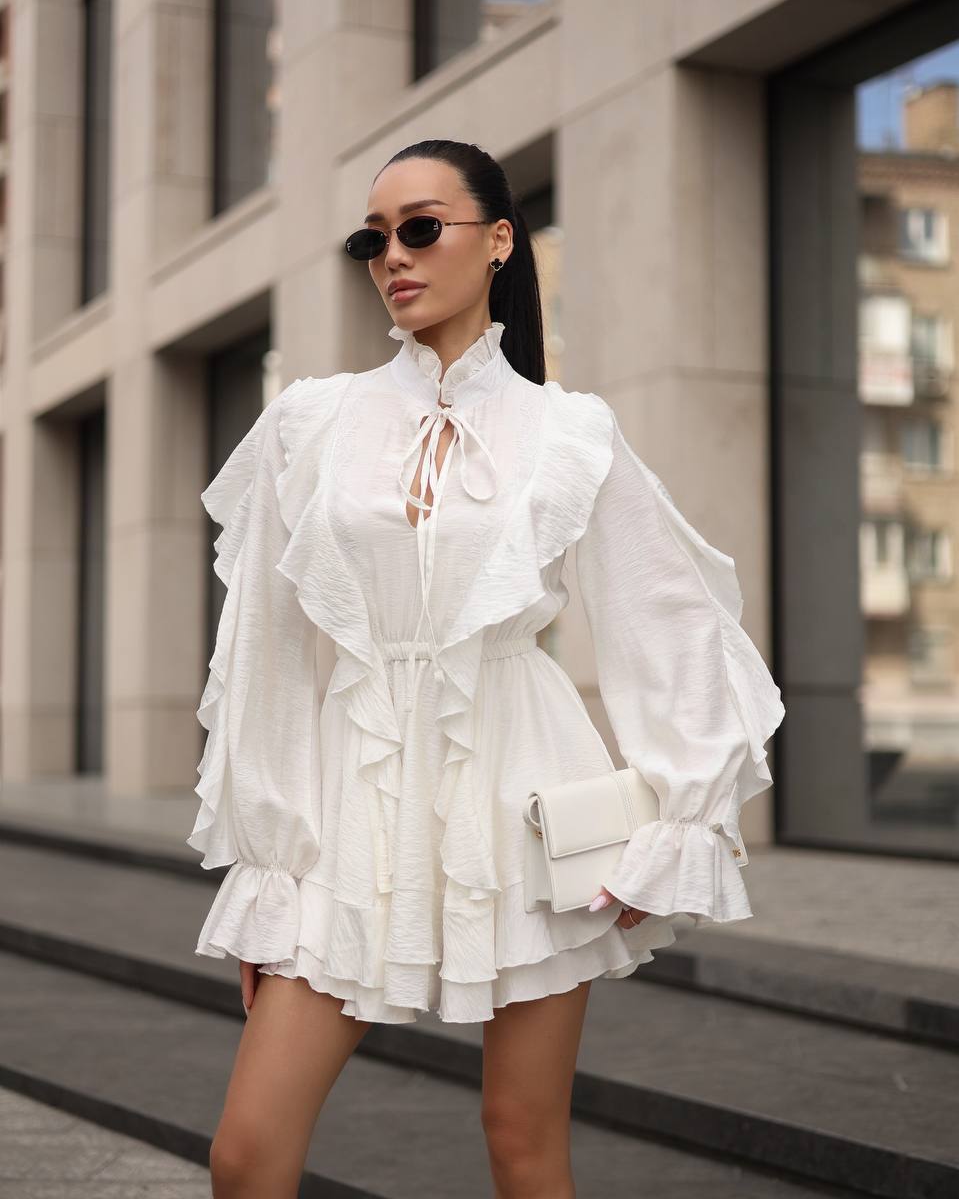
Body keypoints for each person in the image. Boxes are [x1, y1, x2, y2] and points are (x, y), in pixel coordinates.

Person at [193, 139, 785, 1198]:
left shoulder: (567, 431)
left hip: (519, 796)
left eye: (420, 226)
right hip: (348, 793)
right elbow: (267, 652)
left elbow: (664, 612)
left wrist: (679, 824)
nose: (393, 256)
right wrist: (266, 856)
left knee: (522, 1141)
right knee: (245, 1154)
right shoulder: (310, 420)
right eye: (372, 239)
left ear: (499, 240)